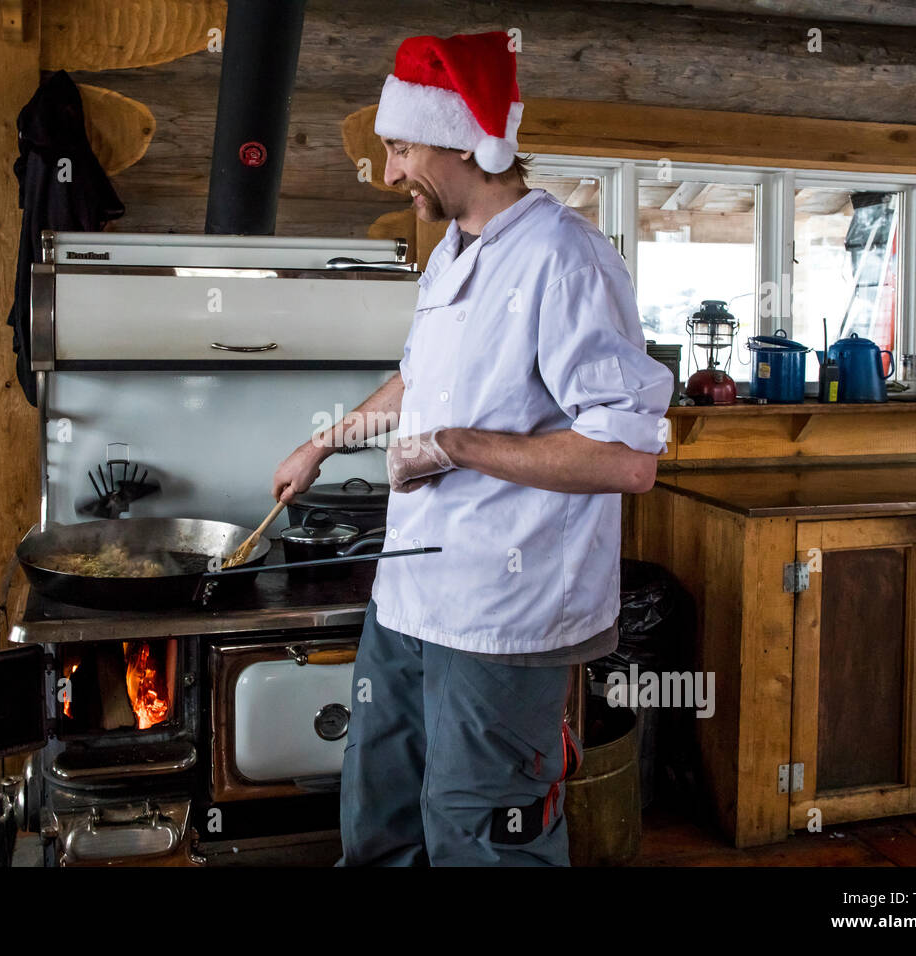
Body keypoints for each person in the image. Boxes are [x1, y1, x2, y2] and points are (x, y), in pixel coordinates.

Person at [271, 30, 674, 866]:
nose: (389, 173)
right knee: (379, 808)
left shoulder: (566, 258)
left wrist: (454, 446)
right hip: (411, 590)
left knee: (481, 835)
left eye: (399, 148)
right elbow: (420, 381)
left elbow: (626, 458)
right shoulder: (453, 254)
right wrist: (324, 444)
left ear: (464, 141)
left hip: (505, 613)